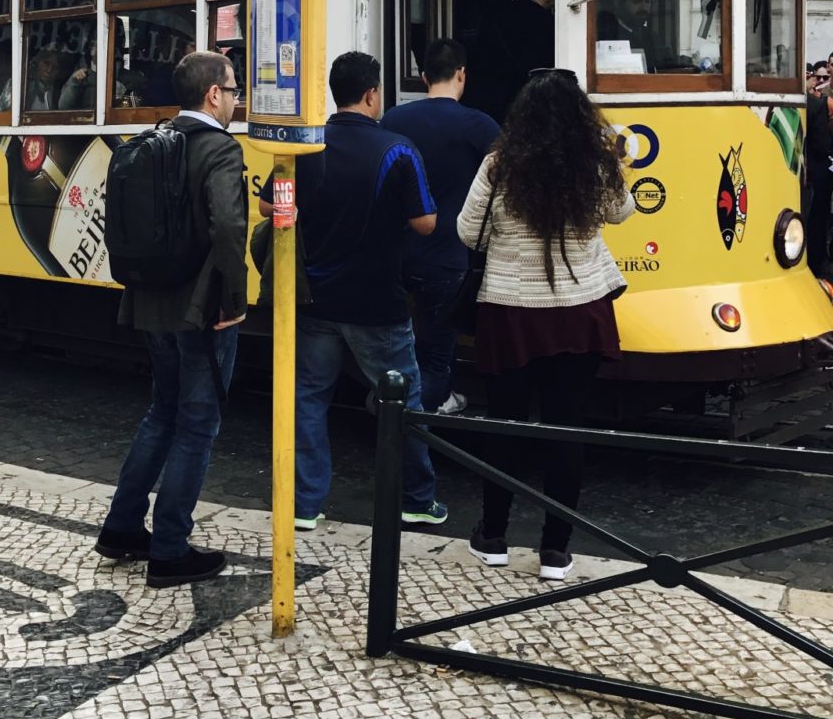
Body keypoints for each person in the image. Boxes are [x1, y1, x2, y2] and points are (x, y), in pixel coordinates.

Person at [457, 70, 634, 582]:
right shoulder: (595, 166)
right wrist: (610, 153)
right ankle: (555, 551)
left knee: (505, 425)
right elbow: (621, 213)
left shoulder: (499, 165)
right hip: (579, 311)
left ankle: (492, 536)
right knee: (566, 429)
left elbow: (468, 232)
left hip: (511, 310)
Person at [265, 50, 447, 534]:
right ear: (371, 94)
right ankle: (417, 498)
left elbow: (269, 205)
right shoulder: (398, 149)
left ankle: (304, 505)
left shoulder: (304, 146)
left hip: (315, 300)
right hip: (377, 302)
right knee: (403, 401)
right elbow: (425, 223)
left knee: (308, 397)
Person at [97, 50, 247, 589]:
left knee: (162, 412)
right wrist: (235, 302)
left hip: (150, 301)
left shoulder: (157, 140)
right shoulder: (220, 150)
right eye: (233, 90)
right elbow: (229, 227)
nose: (235, 100)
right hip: (201, 309)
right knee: (198, 423)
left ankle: (121, 528)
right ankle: (169, 548)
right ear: (213, 95)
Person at [382, 38, 499, 416]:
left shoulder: (394, 119)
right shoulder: (479, 125)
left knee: (403, 344)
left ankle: (409, 406)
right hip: (448, 256)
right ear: (462, 74)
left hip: (397, 253)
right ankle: (419, 425)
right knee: (436, 354)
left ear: (423, 76)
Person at [805, 75, 833, 277]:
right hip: (822, 167)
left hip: (812, 167)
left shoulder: (816, 102)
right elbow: (822, 145)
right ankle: (818, 259)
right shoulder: (820, 103)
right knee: (818, 216)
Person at [27, 47, 65, 111]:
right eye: (46, 63)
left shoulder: (60, 94)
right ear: (37, 62)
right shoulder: (21, 85)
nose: (49, 70)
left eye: (55, 67)